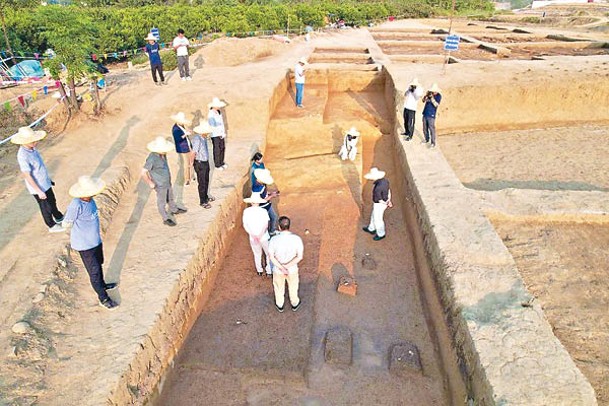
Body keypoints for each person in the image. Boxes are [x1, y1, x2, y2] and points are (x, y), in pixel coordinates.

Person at [62, 176, 118, 310]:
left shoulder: (90, 200)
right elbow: (66, 222)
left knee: (99, 264)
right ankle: (103, 298)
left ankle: (102, 285)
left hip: (95, 241)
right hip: (85, 245)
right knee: (94, 271)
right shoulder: (76, 205)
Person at [12, 126, 64, 233]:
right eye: (32, 141)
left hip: (45, 183)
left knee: (52, 201)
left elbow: (40, 167)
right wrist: (38, 191)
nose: (35, 142)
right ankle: (51, 225)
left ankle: (58, 216)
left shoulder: (32, 149)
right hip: (37, 187)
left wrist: (48, 180)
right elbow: (27, 175)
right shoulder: (23, 156)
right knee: (46, 207)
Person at [142, 136, 187, 226]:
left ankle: (174, 209)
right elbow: (143, 172)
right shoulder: (152, 158)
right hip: (159, 184)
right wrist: (150, 182)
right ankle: (165, 218)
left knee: (170, 197)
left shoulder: (163, 154)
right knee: (161, 201)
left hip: (167, 182)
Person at [269, 216, 303, 313]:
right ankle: (294, 303)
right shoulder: (297, 239)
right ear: (289, 226)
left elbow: (272, 257)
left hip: (277, 270)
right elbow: (299, 257)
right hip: (292, 269)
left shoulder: (273, 240)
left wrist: (282, 268)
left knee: (278, 288)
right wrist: (287, 267)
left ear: (279, 227)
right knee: (293, 287)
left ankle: (280, 305)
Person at [242, 192, 272, 277]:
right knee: (268, 254)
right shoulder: (263, 211)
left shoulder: (246, 211)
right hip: (263, 237)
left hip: (253, 237)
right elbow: (266, 225)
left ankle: (259, 270)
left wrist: (254, 235)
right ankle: (269, 270)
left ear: (251, 202)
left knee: (257, 254)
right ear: (259, 202)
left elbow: (246, 225)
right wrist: (260, 235)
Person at [362, 167, 392, 241]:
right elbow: (388, 192)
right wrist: (388, 200)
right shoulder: (385, 181)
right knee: (374, 215)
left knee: (378, 218)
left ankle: (381, 233)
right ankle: (371, 228)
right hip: (384, 201)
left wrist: (386, 203)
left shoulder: (378, 188)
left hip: (379, 204)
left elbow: (379, 199)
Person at [191, 122, 215, 209]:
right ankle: (203, 201)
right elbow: (194, 152)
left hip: (205, 162)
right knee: (202, 183)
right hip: (200, 163)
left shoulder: (203, 138)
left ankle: (206, 197)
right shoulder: (197, 139)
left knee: (206, 180)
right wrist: (191, 164)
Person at [170, 111, 194, 186]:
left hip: (187, 145)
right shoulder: (175, 129)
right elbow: (178, 139)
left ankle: (192, 175)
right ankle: (187, 179)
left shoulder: (181, 126)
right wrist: (185, 134)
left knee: (191, 162)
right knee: (186, 164)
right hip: (183, 148)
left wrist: (187, 133)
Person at [252, 168, 279, 235]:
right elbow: (260, 200)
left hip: (267, 204)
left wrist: (271, 193)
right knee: (265, 221)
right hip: (262, 207)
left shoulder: (261, 184)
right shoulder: (256, 188)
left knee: (274, 217)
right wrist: (272, 196)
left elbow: (264, 193)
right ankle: (267, 234)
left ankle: (272, 231)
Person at [207, 97, 228, 170]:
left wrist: (223, 132)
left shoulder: (219, 112)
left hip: (221, 133)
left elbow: (221, 123)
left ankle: (221, 162)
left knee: (222, 147)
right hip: (215, 134)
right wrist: (219, 132)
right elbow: (213, 125)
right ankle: (217, 164)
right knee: (217, 149)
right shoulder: (211, 114)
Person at [422, 83, 442, 148]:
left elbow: (436, 105)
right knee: (425, 128)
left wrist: (432, 98)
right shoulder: (429, 94)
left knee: (431, 129)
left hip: (431, 115)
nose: (433, 92)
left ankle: (433, 143)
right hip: (425, 113)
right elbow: (423, 101)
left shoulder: (438, 96)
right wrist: (426, 97)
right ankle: (426, 139)